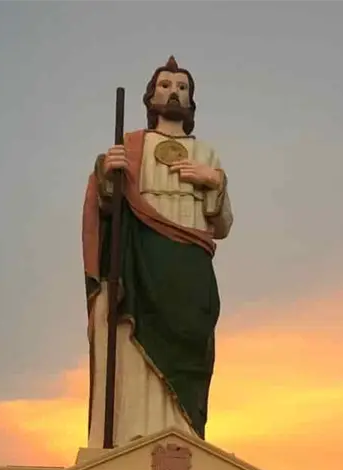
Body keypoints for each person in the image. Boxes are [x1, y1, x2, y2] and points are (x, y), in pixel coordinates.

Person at [82, 56, 233, 448]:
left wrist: (214, 181)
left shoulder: (207, 153)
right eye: (165, 85)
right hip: (141, 258)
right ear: (151, 97)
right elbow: (108, 206)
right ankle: (135, 434)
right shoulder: (131, 146)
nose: (174, 92)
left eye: (182, 87)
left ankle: (185, 435)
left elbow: (223, 226)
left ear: (191, 101)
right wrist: (107, 175)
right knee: (132, 336)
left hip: (190, 260)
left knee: (192, 342)